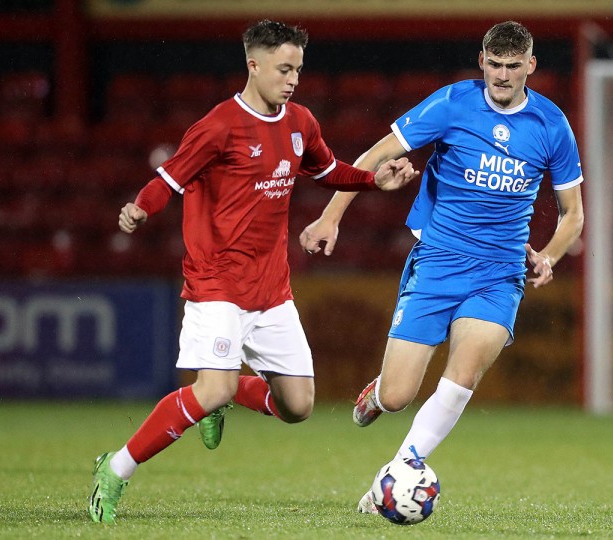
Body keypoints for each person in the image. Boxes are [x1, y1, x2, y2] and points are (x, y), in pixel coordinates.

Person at [87, 19, 418, 524]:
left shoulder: (300, 122)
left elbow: (329, 171)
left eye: (298, 70)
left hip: (272, 290)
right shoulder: (218, 125)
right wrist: (139, 208)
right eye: (284, 69)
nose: (292, 80)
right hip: (216, 283)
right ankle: (115, 469)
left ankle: (225, 394)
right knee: (210, 388)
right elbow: (169, 178)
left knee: (298, 406)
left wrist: (375, 181)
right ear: (253, 65)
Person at [299, 21, 584, 513]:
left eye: (513, 66)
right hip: (437, 262)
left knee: (464, 373)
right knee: (398, 396)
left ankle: (397, 473)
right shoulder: (452, 103)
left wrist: (550, 256)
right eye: (494, 64)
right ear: (482, 61)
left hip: (499, 273)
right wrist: (331, 216)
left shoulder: (552, 125)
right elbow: (376, 155)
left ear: (530, 67)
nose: (502, 74)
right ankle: (379, 397)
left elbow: (573, 213)